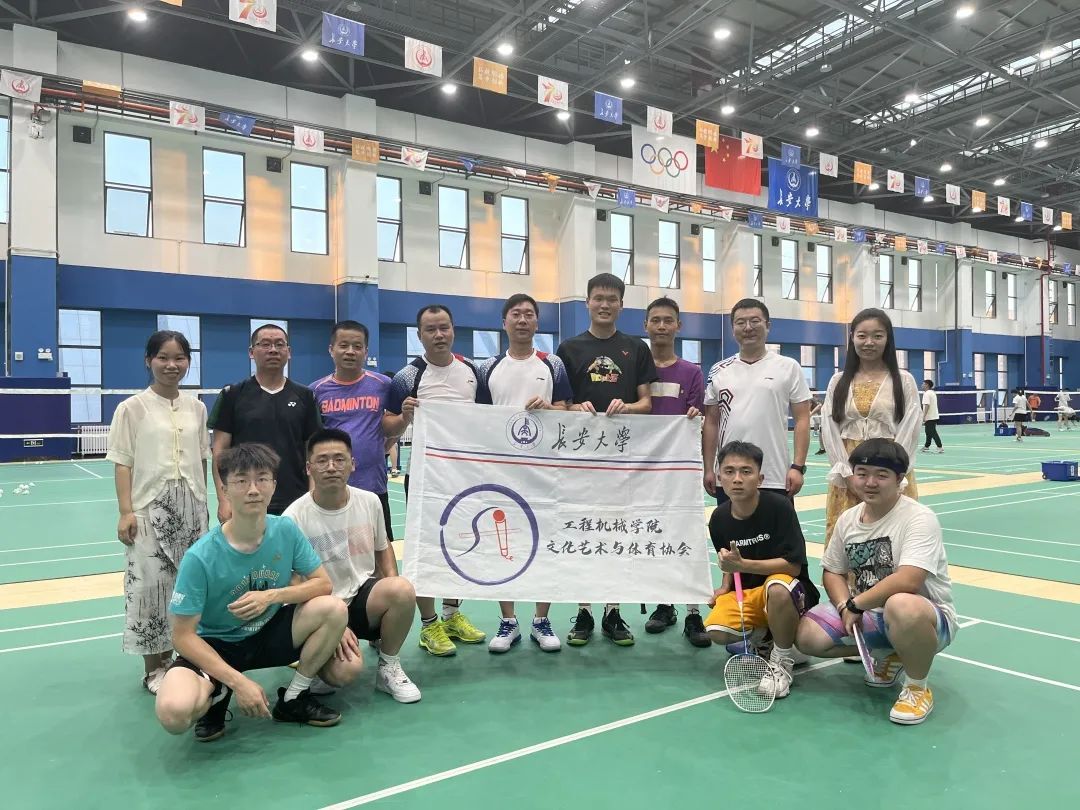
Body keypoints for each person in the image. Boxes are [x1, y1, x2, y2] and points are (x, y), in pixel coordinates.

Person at [155, 444, 358, 742]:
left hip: (267, 632)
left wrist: (271, 597)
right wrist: (239, 682)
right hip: (217, 644)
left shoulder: (285, 530)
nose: (253, 489)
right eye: (241, 480)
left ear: (273, 485)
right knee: (174, 713)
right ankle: (218, 692)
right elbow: (182, 636)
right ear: (225, 489)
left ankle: (293, 698)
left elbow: (323, 585)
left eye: (262, 479)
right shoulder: (200, 557)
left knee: (334, 609)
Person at [797, 438, 957, 725]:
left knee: (901, 605)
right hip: (868, 612)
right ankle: (892, 652)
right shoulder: (848, 519)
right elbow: (832, 571)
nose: (870, 482)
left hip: (926, 617)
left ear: (899, 479)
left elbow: (909, 579)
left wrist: (856, 604)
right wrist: (844, 606)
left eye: (881, 475)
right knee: (807, 637)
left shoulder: (919, 518)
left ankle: (917, 687)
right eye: (862, 473)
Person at [556, 272, 657, 647]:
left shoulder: (636, 348)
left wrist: (627, 407)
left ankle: (613, 611)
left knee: (616, 535)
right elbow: (560, 405)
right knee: (583, 533)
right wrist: (574, 408)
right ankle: (583, 611)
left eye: (611, 299)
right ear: (587, 302)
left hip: (623, 460)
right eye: (598, 298)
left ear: (621, 305)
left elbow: (646, 404)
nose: (604, 304)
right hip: (580, 460)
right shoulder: (568, 349)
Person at [106, 330, 210, 694]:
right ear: (148, 361)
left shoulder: (197, 408)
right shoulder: (131, 408)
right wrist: (126, 511)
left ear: (188, 362)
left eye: (179, 357)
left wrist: (205, 504)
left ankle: (189, 658)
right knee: (151, 587)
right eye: (163, 357)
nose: (171, 364)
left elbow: (201, 458)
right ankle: (155, 667)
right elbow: (122, 463)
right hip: (148, 508)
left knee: (191, 586)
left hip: (193, 508)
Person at [283, 429, 421, 702]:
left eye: (339, 459)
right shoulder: (293, 517)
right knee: (344, 673)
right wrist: (332, 622)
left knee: (402, 589)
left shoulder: (369, 502)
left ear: (352, 464)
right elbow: (292, 579)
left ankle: (389, 666)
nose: (331, 467)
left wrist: (391, 587)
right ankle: (318, 660)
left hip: (360, 597)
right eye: (322, 460)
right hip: (320, 607)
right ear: (309, 468)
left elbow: (383, 549)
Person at [383, 304, 486, 656]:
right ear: (420, 335)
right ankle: (429, 625)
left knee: (461, 544)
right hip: (425, 478)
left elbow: (488, 418)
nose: (439, 334)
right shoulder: (407, 377)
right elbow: (387, 427)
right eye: (431, 329)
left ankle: (452, 615)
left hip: (465, 476)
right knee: (425, 549)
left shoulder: (472, 371)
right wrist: (404, 417)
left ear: (453, 329)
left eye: (444, 327)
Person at [476, 293, 573, 653]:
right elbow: (477, 419)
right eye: (515, 314)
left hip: (545, 473)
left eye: (529, 314)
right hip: (501, 473)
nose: (522, 320)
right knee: (504, 544)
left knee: (545, 544)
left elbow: (567, 410)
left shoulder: (553, 364)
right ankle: (509, 621)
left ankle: (541, 620)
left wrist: (549, 407)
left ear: (536, 322)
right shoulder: (488, 367)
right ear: (504, 322)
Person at [704, 441, 820, 699]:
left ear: (760, 478)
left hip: (791, 592)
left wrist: (744, 565)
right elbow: (730, 558)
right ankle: (767, 639)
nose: (737, 479)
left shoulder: (779, 507)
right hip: (751, 594)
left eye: (746, 471)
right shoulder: (719, 518)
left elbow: (793, 566)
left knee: (777, 587)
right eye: (729, 471)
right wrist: (725, 586)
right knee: (716, 630)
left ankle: (782, 661)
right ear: (720, 477)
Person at [638, 297, 710, 648]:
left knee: (687, 535)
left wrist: (695, 418)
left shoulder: (692, 372)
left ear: (678, 326)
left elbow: (698, 418)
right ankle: (664, 605)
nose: (662, 326)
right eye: (656, 320)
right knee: (653, 537)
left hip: (680, 472)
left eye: (669, 320)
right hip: (641, 473)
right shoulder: (636, 369)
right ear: (646, 325)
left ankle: (693, 611)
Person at [821, 309, 922, 546]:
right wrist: (848, 475)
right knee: (848, 539)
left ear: (888, 339)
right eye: (862, 336)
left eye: (877, 336)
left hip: (891, 468)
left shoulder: (903, 381)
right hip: (849, 468)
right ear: (852, 338)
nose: (869, 342)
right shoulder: (838, 381)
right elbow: (829, 427)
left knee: (894, 539)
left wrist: (892, 472)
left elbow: (910, 427)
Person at [702, 299, 811, 505]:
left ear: (767, 325)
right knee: (729, 527)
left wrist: (797, 467)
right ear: (732, 328)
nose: (748, 328)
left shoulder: (789, 367)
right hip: (730, 476)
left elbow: (802, 419)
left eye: (755, 321)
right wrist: (709, 468)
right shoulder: (718, 370)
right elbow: (711, 422)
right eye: (740, 322)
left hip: (776, 476)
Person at [209, 324, 321, 519]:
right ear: (251, 352)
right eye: (265, 344)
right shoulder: (232, 395)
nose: (273, 350)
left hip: (295, 500)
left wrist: (312, 496)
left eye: (279, 344)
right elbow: (220, 451)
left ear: (289, 352)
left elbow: (313, 450)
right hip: (245, 498)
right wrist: (223, 500)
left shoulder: (305, 396)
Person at [311, 321, 397, 547]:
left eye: (357, 346)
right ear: (331, 349)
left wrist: (381, 448)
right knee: (335, 554)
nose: (350, 351)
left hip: (374, 487)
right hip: (332, 489)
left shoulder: (383, 385)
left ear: (366, 352)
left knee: (381, 550)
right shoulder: (316, 390)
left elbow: (395, 424)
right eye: (343, 345)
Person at [920, 380, 943, 453]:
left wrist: (923, 416)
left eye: (923, 384)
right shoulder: (932, 393)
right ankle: (926, 446)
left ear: (927, 385)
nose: (922, 385)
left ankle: (940, 447)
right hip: (934, 416)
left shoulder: (927, 394)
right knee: (928, 432)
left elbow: (927, 405)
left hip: (930, 416)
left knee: (932, 432)